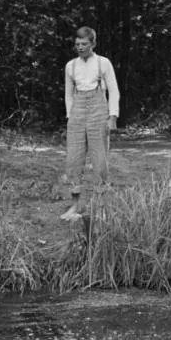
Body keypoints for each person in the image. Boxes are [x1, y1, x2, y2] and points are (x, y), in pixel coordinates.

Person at [61, 26, 120, 221]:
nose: (80, 47)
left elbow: (113, 90)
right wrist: (70, 116)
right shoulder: (71, 66)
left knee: (99, 159)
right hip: (77, 113)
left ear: (93, 44)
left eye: (84, 44)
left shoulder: (103, 63)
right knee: (73, 159)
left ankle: (101, 207)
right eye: (77, 44)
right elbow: (68, 94)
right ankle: (75, 205)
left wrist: (112, 116)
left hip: (98, 112)